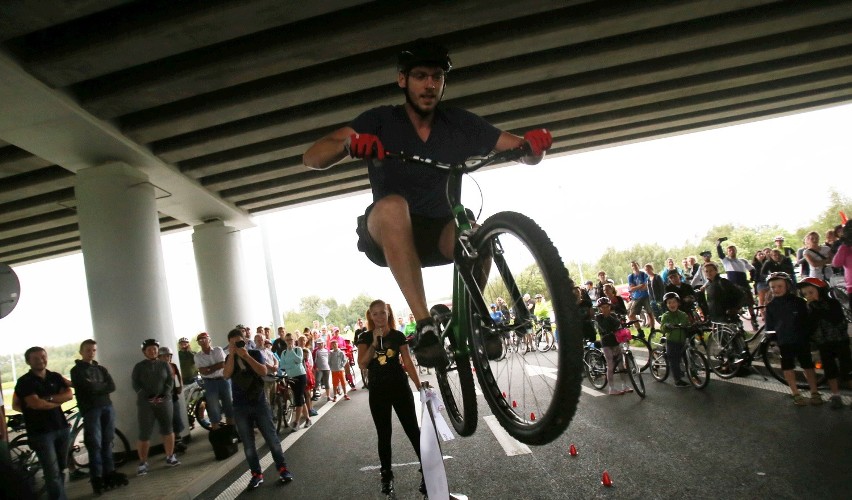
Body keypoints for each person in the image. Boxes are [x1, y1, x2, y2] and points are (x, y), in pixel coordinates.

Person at [303, 39, 553, 369]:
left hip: (441, 231)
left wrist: (535, 147)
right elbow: (312, 157)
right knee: (394, 206)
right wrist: (349, 144)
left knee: (475, 232)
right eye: (420, 76)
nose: (430, 85)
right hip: (389, 233)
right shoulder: (380, 120)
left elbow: (520, 150)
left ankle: (474, 318)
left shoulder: (460, 123)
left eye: (437, 77)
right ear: (402, 80)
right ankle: (425, 328)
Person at [357, 299, 425, 496]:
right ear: (370, 316)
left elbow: (408, 362)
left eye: (383, 313)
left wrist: (418, 384)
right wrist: (373, 343)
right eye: (375, 313)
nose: (380, 317)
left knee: (413, 429)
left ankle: (427, 471)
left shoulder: (398, 335)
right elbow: (362, 364)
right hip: (378, 391)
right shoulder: (364, 337)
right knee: (384, 434)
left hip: (399, 388)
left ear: (388, 314)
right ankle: (386, 476)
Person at [222, 329, 294, 489]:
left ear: (245, 341)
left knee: (271, 438)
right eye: (233, 343)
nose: (237, 345)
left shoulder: (254, 353)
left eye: (239, 342)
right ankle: (256, 474)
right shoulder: (229, 358)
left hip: (259, 403)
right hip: (240, 406)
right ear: (229, 344)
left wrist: (245, 355)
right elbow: (226, 375)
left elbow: (263, 371)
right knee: (248, 444)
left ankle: (283, 469)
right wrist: (233, 354)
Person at [15, 346, 74, 500]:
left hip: (61, 427)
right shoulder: (24, 382)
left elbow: (68, 395)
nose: (41, 360)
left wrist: (47, 399)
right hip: (41, 433)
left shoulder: (54, 376)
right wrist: (55, 401)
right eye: (36, 358)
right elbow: (35, 404)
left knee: (61, 468)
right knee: (52, 472)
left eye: (43, 356)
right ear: (28, 362)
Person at [70, 339, 126, 495]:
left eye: (94, 350)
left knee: (107, 442)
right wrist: (101, 387)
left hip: (107, 407)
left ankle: (110, 473)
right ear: (81, 352)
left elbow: (112, 386)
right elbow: (87, 387)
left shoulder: (101, 368)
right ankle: (97, 478)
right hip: (91, 410)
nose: (91, 352)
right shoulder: (76, 370)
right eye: (88, 350)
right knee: (95, 445)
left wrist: (96, 387)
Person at [764, 273, 822, 406]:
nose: (776, 289)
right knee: (788, 366)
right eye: (773, 287)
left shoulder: (799, 302)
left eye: (779, 286)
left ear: (787, 286)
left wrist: (809, 335)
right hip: (784, 341)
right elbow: (770, 327)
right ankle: (795, 392)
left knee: (807, 365)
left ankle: (814, 391)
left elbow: (807, 320)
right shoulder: (771, 306)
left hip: (801, 339)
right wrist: (774, 342)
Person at [797, 278, 851, 408]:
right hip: (823, 343)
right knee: (829, 370)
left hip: (840, 341)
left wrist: (817, 310)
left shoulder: (833, 303)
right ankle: (836, 395)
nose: (809, 296)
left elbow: (836, 319)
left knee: (847, 370)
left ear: (820, 290)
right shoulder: (809, 307)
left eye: (811, 292)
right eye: (805, 294)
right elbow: (809, 326)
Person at [131, 339, 179, 475]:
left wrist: (165, 394)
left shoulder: (164, 365)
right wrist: (147, 396)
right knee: (144, 433)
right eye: (149, 349)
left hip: (164, 402)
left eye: (155, 349)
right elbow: (135, 384)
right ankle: (142, 463)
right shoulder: (139, 366)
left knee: (168, 429)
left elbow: (170, 380)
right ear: (144, 352)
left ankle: (170, 456)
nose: (153, 351)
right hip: (146, 404)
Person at [194, 331, 233, 430]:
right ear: (198, 342)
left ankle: (231, 431)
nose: (203, 341)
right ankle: (216, 432)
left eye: (204, 338)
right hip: (209, 382)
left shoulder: (218, 350)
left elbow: (223, 364)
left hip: (223, 380)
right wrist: (215, 366)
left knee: (229, 404)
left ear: (209, 339)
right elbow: (203, 372)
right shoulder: (197, 356)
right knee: (213, 407)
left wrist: (209, 368)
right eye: (200, 339)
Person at [593, 298, 631, 395]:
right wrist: (608, 318)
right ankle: (611, 388)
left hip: (616, 342)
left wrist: (617, 320)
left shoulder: (613, 315)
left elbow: (617, 324)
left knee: (621, 364)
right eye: (603, 307)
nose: (605, 309)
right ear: (600, 309)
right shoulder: (598, 317)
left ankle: (625, 385)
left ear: (610, 307)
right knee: (610, 364)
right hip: (606, 344)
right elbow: (603, 327)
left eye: (607, 307)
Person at [157, 346, 187, 453]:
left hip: (173, 397)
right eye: (164, 356)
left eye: (168, 356)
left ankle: (178, 440)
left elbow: (178, 377)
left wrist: (180, 387)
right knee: (166, 422)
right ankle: (170, 445)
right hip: (161, 399)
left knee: (176, 419)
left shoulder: (173, 366)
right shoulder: (156, 368)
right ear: (159, 357)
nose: (167, 358)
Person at [658, 293, 691, 387]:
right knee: (674, 361)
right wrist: (666, 326)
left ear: (678, 303)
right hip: (672, 341)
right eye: (669, 303)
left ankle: (688, 372)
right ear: (666, 305)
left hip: (682, 340)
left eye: (674, 302)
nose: (672, 304)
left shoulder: (683, 314)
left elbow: (687, 324)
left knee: (686, 357)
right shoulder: (666, 316)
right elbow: (662, 328)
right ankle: (677, 380)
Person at [280, 332, 310, 429]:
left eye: (291, 339)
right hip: (291, 377)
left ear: (294, 340)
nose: (289, 341)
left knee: (298, 398)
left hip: (300, 376)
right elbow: (282, 365)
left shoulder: (298, 349)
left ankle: (296, 422)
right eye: (287, 340)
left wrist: (292, 351)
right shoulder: (283, 353)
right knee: (300, 398)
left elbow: (298, 360)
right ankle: (308, 419)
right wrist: (291, 365)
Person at [627, 261, 654, 335]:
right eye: (632, 265)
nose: (634, 266)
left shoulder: (644, 274)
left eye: (635, 265)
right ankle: (640, 331)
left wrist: (636, 287)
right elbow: (631, 288)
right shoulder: (631, 276)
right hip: (636, 297)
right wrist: (640, 286)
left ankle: (653, 330)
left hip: (646, 296)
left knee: (650, 313)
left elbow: (646, 287)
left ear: (638, 265)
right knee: (631, 315)